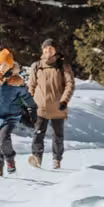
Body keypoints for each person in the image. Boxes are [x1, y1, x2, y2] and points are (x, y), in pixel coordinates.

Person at [0, 48, 36, 177]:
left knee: (4, 138)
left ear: (10, 66)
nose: (1, 67)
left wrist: (32, 107)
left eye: (5, 65)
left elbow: (25, 96)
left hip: (11, 116)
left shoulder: (16, 81)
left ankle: (10, 161)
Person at [27, 38, 76, 170]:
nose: (48, 51)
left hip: (58, 106)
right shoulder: (36, 66)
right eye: (46, 48)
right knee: (38, 133)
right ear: (42, 50)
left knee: (58, 136)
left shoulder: (63, 66)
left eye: (51, 48)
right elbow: (31, 86)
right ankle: (37, 158)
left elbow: (69, 85)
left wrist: (64, 101)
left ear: (55, 51)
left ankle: (57, 159)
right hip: (40, 106)